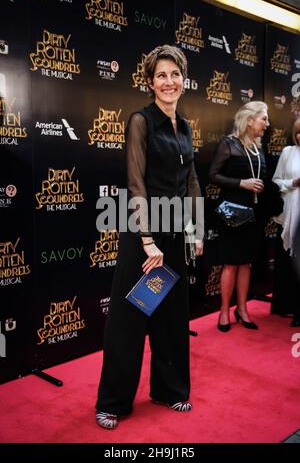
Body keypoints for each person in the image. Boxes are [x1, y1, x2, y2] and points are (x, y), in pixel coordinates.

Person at [95, 44, 204, 429]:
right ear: (150, 81)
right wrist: (146, 240)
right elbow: (136, 183)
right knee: (131, 315)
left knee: (171, 317)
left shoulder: (185, 125)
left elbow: (191, 179)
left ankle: (170, 389)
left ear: (184, 80)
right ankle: (112, 401)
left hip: (175, 233)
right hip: (145, 232)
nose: (169, 82)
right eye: (161, 75)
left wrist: (195, 227)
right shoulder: (141, 121)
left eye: (175, 74)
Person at [209, 101, 269, 332]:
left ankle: (242, 309)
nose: (267, 123)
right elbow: (213, 175)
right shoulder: (229, 144)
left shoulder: (258, 147)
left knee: (246, 264)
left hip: (253, 215)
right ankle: (224, 311)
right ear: (250, 119)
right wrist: (241, 183)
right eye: (263, 118)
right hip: (232, 214)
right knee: (231, 264)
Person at [271, 118, 300, 327]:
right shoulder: (288, 152)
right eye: (298, 131)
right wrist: (293, 183)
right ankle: (289, 306)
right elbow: (276, 181)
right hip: (290, 214)